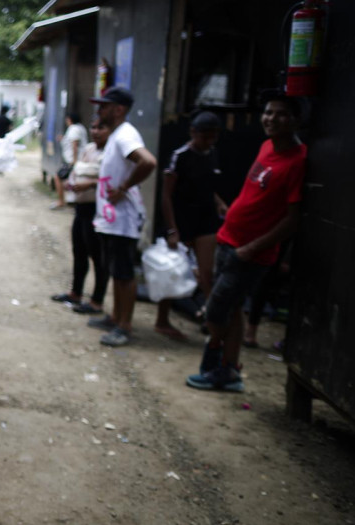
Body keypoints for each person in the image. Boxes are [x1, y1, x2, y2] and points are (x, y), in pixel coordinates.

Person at [187, 94, 306, 392]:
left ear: (295, 120)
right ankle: (229, 370)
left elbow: (292, 220)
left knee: (215, 309)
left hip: (249, 253)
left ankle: (216, 361)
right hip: (230, 240)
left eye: (280, 114)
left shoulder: (298, 161)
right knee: (233, 307)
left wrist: (252, 248)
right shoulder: (267, 146)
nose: (271, 118)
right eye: (268, 112)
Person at [86, 86, 158, 347]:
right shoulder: (118, 135)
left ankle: (124, 325)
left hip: (123, 219)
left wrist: (125, 187)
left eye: (104, 106)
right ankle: (115, 317)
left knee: (124, 274)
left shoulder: (126, 135)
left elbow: (148, 161)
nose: (99, 110)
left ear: (118, 109)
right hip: (112, 218)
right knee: (116, 271)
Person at [154, 111, 226, 341]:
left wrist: (219, 202)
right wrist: (172, 229)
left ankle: (212, 321)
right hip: (181, 220)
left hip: (205, 220)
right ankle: (162, 320)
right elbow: (166, 196)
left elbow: (206, 187)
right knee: (171, 272)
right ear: (193, 133)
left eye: (213, 136)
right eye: (205, 136)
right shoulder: (180, 156)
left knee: (207, 274)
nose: (209, 141)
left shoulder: (213, 154)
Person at [52, 117, 109, 314]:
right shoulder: (90, 149)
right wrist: (74, 182)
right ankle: (76, 292)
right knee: (79, 250)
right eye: (93, 127)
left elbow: (107, 178)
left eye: (101, 127)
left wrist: (90, 183)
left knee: (97, 255)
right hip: (81, 207)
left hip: (98, 211)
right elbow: (79, 171)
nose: (95, 131)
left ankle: (97, 300)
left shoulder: (111, 152)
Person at [53, 113, 88, 209]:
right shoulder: (80, 128)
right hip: (77, 160)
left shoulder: (74, 129)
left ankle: (61, 201)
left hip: (73, 161)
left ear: (69, 119)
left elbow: (74, 145)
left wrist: (74, 161)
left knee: (58, 177)